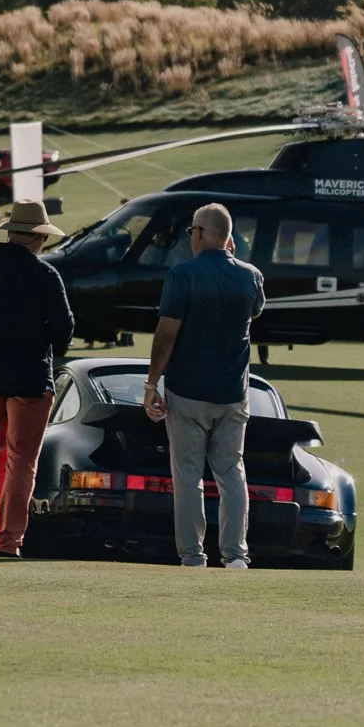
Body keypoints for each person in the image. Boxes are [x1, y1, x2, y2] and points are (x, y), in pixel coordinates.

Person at [141, 202, 266, 570]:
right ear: (228, 239)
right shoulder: (251, 276)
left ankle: (193, 556)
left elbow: (166, 334)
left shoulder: (182, 275)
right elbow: (255, 310)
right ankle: (236, 555)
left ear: (198, 233)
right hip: (233, 393)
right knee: (232, 473)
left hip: (188, 390)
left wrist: (151, 384)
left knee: (188, 475)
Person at [0, 200, 75, 556]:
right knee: (22, 459)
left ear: (9, 231)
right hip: (31, 380)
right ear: (38, 236)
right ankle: (8, 540)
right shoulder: (44, 275)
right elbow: (64, 331)